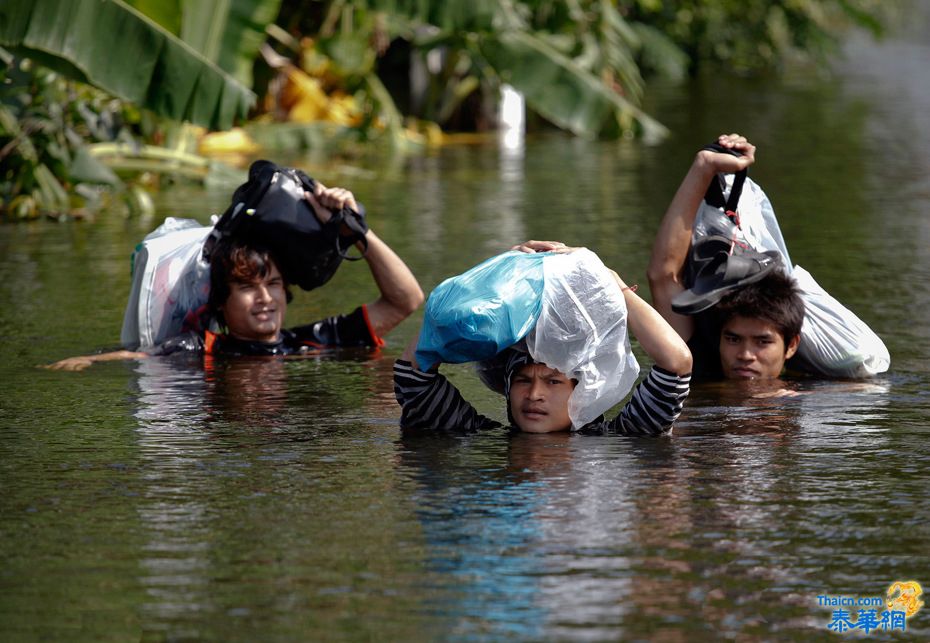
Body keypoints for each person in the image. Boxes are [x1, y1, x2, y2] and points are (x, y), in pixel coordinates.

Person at [46, 182, 424, 370]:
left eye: (273, 284)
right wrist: (87, 362)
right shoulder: (204, 348)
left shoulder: (312, 342)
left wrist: (354, 230)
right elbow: (135, 355)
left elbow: (405, 300)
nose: (264, 298)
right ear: (221, 304)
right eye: (246, 287)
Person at [394, 241, 692, 435]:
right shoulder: (474, 434)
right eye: (523, 380)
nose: (534, 395)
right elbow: (415, 371)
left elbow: (676, 364)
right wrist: (502, 275)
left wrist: (609, 281)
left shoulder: (623, 435)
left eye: (552, 381)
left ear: (584, 388)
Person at [647, 133, 805, 380]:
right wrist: (704, 166)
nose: (745, 354)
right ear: (719, 338)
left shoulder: (811, 392)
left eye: (762, 341)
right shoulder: (700, 369)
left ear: (791, 346)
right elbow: (663, 275)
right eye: (733, 339)